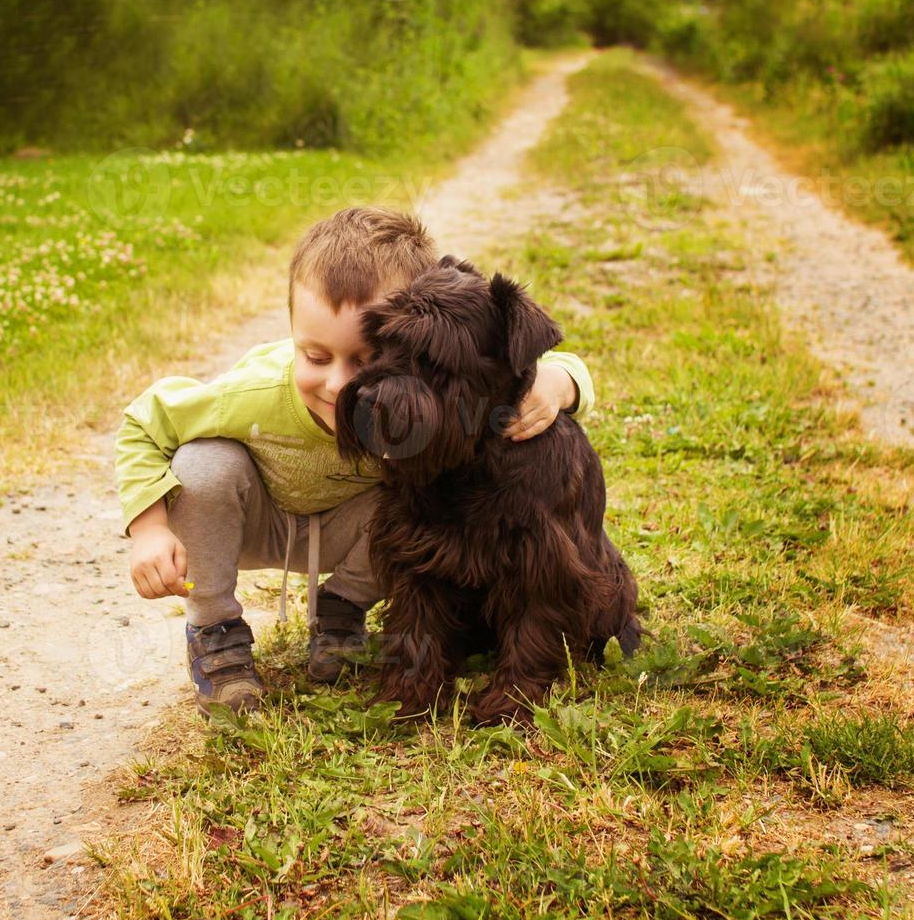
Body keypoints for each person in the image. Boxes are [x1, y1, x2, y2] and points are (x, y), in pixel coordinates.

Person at [112, 207, 594, 718]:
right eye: (315, 357)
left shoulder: (420, 412)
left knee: (417, 501)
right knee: (203, 466)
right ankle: (215, 631)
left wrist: (556, 381)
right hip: (260, 518)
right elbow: (145, 421)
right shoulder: (252, 392)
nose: (341, 384)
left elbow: (512, 360)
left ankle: (341, 608)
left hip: (349, 533)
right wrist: (148, 529)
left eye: (369, 358)